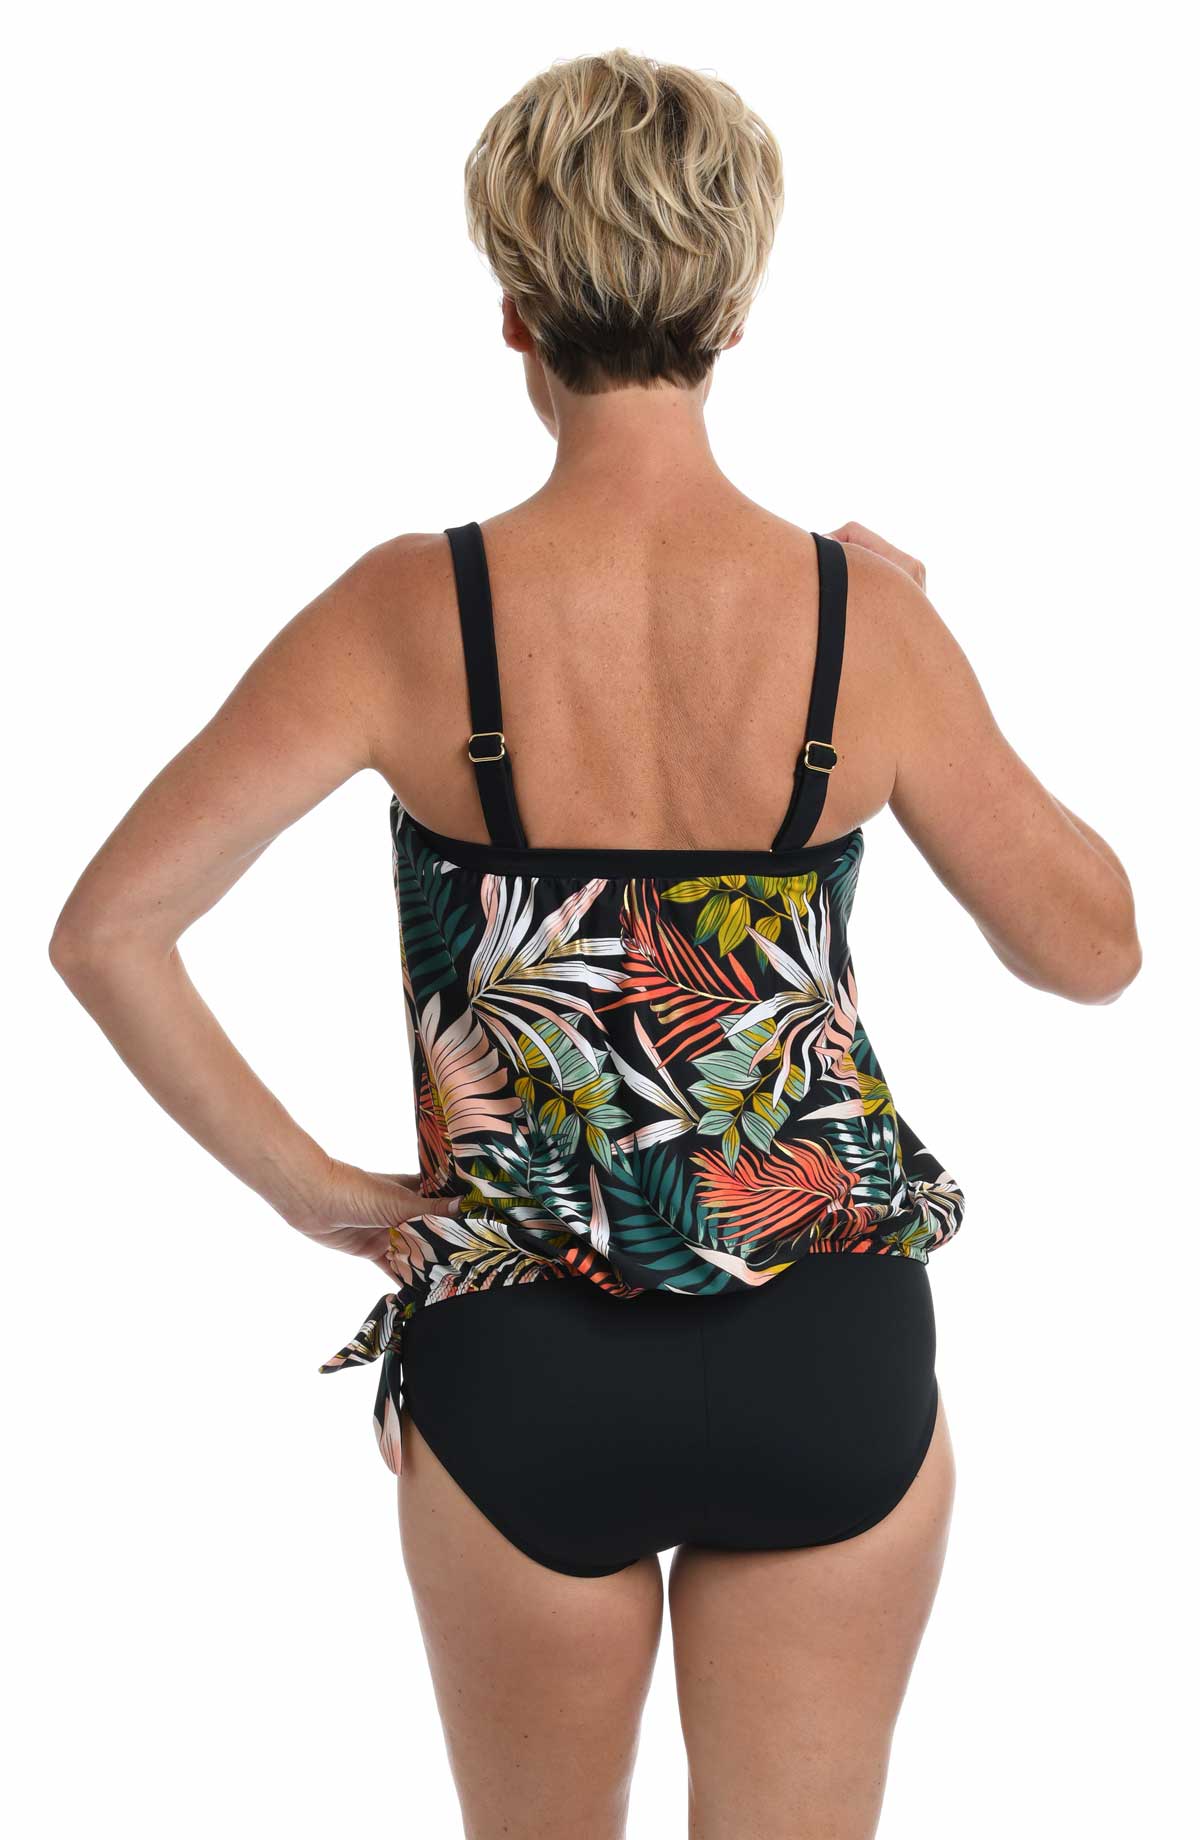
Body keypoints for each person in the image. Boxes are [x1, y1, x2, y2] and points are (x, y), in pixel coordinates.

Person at [49, 47, 1141, 1840]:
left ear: (513, 306)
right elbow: (1092, 952)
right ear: (738, 305)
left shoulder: (410, 610)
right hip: (824, 1345)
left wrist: (321, 1195)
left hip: (521, 1353)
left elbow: (110, 931)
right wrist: (921, 643)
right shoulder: (858, 619)